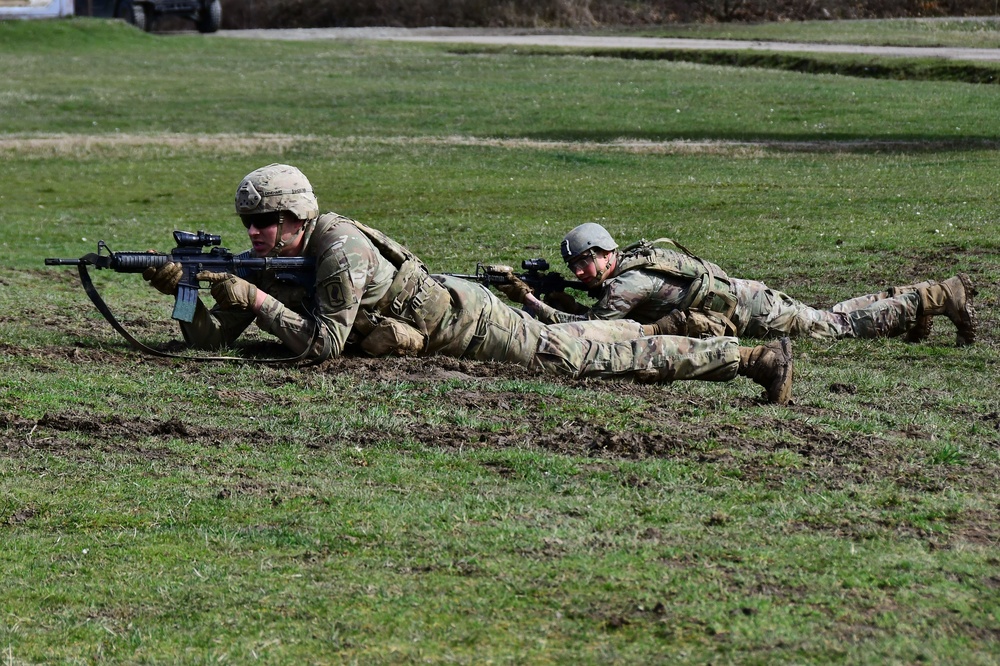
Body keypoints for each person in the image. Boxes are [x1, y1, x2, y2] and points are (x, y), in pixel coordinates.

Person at [141, 163, 794, 404]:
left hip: (471, 324)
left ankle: (747, 359)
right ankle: (666, 326)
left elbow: (321, 348)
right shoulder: (283, 262)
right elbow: (207, 339)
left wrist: (251, 299)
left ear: (297, 217)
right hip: (441, 320)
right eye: (247, 224)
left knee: (586, 357)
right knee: (589, 338)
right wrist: (184, 288)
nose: (253, 234)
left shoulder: (338, 249)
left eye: (265, 222)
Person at [501, 222, 976, 346]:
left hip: (751, 310)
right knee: (831, 315)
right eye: (577, 266)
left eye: (585, 263)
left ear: (605, 254)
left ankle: (936, 296)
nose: (582, 272)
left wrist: (532, 301)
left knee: (835, 327)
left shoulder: (627, 284)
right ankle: (921, 306)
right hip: (744, 297)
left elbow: (589, 329)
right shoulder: (631, 261)